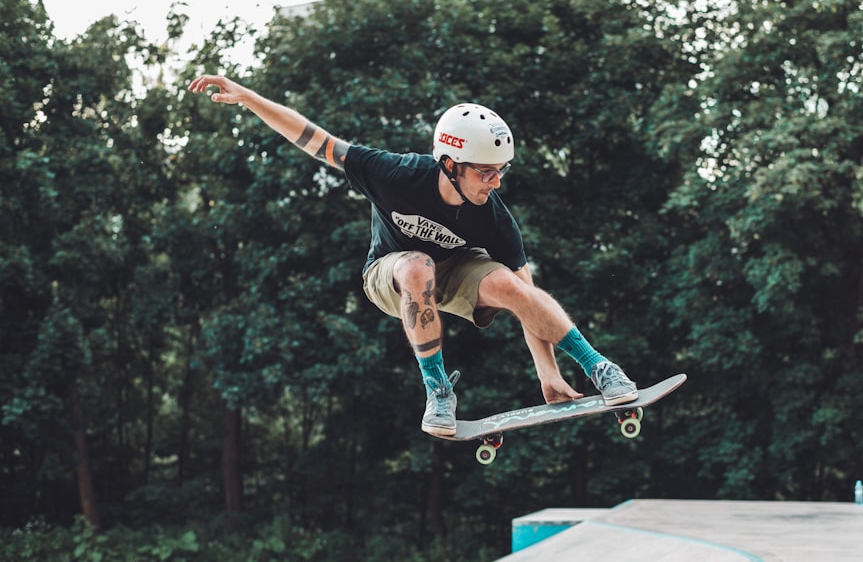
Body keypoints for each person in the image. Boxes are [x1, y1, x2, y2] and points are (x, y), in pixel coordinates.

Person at [187, 75, 637, 436]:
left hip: (456, 272)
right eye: (485, 173)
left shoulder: (494, 217)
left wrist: (548, 370)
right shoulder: (393, 173)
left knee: (506, 284)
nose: (495, 182)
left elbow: (528, 299)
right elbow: (313, 139)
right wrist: (247, 97)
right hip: (390, 273)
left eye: (501, 171)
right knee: (417, 264)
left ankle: (599, 366)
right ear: (449, 164)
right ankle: (438, 391)